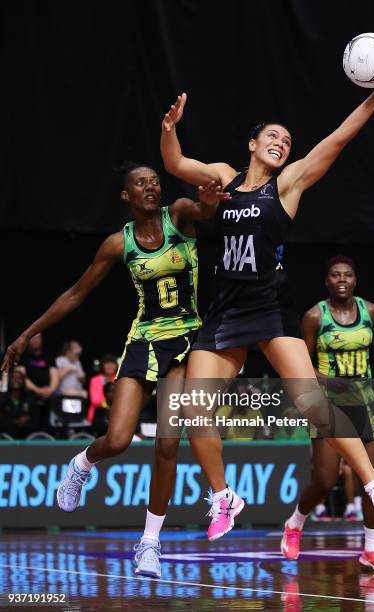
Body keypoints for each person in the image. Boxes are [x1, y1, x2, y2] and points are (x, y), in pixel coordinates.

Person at [160, 64, 374, 541]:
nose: (282, 143)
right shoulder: (225, 178)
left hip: (269, 307)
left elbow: (339, 138)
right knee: (194, 409)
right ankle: (224, 497)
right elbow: (175, 164)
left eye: (287, 141)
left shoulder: (287, 184)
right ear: (253, 144)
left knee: (313, 403)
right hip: (225, 309)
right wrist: (168, 130)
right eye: (274, 136)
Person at [1, 162, 241, 579]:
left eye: (154, 181)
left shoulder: (180, 214)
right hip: (144, 340)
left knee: (168, 443)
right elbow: (75, 295)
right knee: (118, 438)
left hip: (186, 340)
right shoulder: (119, 243)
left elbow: (206, 211)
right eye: (140, 183)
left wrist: (209, 199)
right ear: (126, 197)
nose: (150, 186)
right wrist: (26, 334)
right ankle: (81, 464)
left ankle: (149, 543)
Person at [282, 255, 374, 571]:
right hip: (329, 407)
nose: (342, 279)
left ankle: (371, 549)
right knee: (323, 480)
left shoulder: (369, 311)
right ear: (327, 281)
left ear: (355, 280)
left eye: (348, 274)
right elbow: (301, 368)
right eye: (335, 275)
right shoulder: (313, 317)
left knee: (370, 481)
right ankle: (294, 525)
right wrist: (333, 383)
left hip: (365, 404)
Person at [17, 332, 59, 431]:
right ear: (28, 341)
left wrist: (50, 390)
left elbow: (55, 374)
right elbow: (21, 376)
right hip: (29, 394)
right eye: (33, 338)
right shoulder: (23, 356)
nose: (36, 340)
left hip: (48, 394)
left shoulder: (48, 356)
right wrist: (37, 390)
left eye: (38, 338)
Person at [0, 369, 35, 439]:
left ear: (23, 381)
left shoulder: (30, 398)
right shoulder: (2, 399)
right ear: (9, 380)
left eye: (19, 378)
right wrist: (15, 422)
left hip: (26, 437)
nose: (16, 380)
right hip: (6, 438)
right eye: (13, 378)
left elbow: (35, 421)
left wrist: (25, 423)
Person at [87, 353, 118, 423]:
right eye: (107, 363)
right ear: (102, 366)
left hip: (118, 413)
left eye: (113, 363)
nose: (110, 365)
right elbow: (95, 401)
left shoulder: (120, 380)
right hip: (99, 414)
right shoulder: (95, 380)